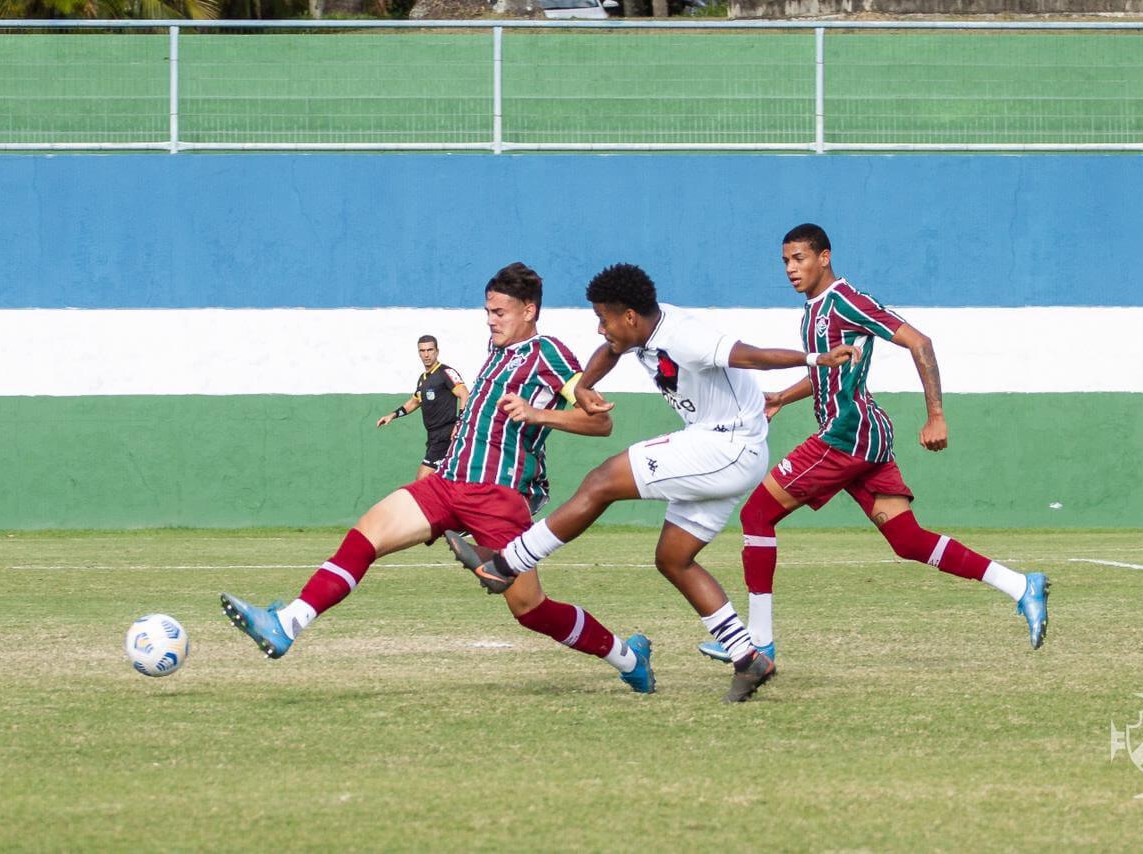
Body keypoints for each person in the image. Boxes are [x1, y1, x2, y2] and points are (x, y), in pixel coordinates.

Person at [220, 263, 658, 695]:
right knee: (365, 536)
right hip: (446, 483)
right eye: (487, 312)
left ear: (529, 310)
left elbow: (599, 422)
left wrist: (536, 414)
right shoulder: (496, 349)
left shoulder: (549, 354)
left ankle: (628, 658)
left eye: (500, 312)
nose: (491, 320)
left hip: (497, 495)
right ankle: (287, 623)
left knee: (530, 610)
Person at [446, 263, 860, 703]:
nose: (599, 327)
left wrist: (815, 359)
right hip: (722, 448)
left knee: (602, 481)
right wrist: (585, 385)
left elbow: (750, 355)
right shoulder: (637, 330)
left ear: (628, 316)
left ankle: (507, 564)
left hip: (727, 447)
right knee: (673, 558)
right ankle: (748, 658)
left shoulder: (686, 336)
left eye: (603, 318)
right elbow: (610, 350)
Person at [697, 223, 1050, 668]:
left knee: (757, 515)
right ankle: (1021, 585)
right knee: (907, 540)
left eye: (799, 258)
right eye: (785, 261)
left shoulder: (846, 300)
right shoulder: (813, 310)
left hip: (846, 436)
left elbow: (919, 342)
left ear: (824, 257)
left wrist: (936, 415)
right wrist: (783, 397)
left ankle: (758, 644)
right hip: (865, 438)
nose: (790, 268)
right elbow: (829, 370)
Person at [376, 335, 470, 481]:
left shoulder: (446, 372)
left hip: (445, 435)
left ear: (437, 351)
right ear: (419, 353)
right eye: (422, 351)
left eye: (430, 350)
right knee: (439, 481)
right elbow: (414, 402)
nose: (426, 354)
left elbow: (464, 395)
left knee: (422, 480)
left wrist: (459, 424)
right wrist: (392, 415)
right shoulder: (423, 379)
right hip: (432, 437)